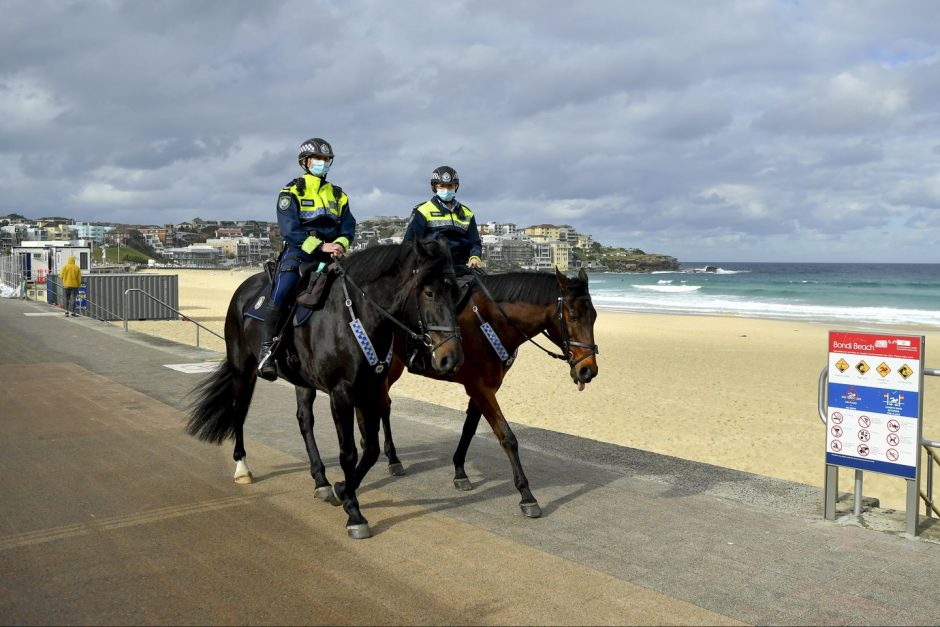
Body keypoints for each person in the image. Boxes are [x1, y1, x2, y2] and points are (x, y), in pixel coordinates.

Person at [257, 137, 356, 381]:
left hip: (333, 253)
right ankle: (267, 351)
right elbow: (290, 229)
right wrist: (321, 246)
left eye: (326, 159)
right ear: (305, 162)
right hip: (300, 253)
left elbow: (349, 226)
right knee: (282, 293)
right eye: (318, 159)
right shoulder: (290, 191)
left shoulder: (338, 194)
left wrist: (339, 246)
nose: (322, 163)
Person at [403, 165, 482, 275]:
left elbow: (475, 242)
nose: (446, 189)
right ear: (435, 187)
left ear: (456, 187)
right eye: (442, 186)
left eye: (450, 186)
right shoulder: (423, 211)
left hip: (462, 268)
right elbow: (409, 243)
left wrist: (475, 257)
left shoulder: (467, 213)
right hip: (434, 269)